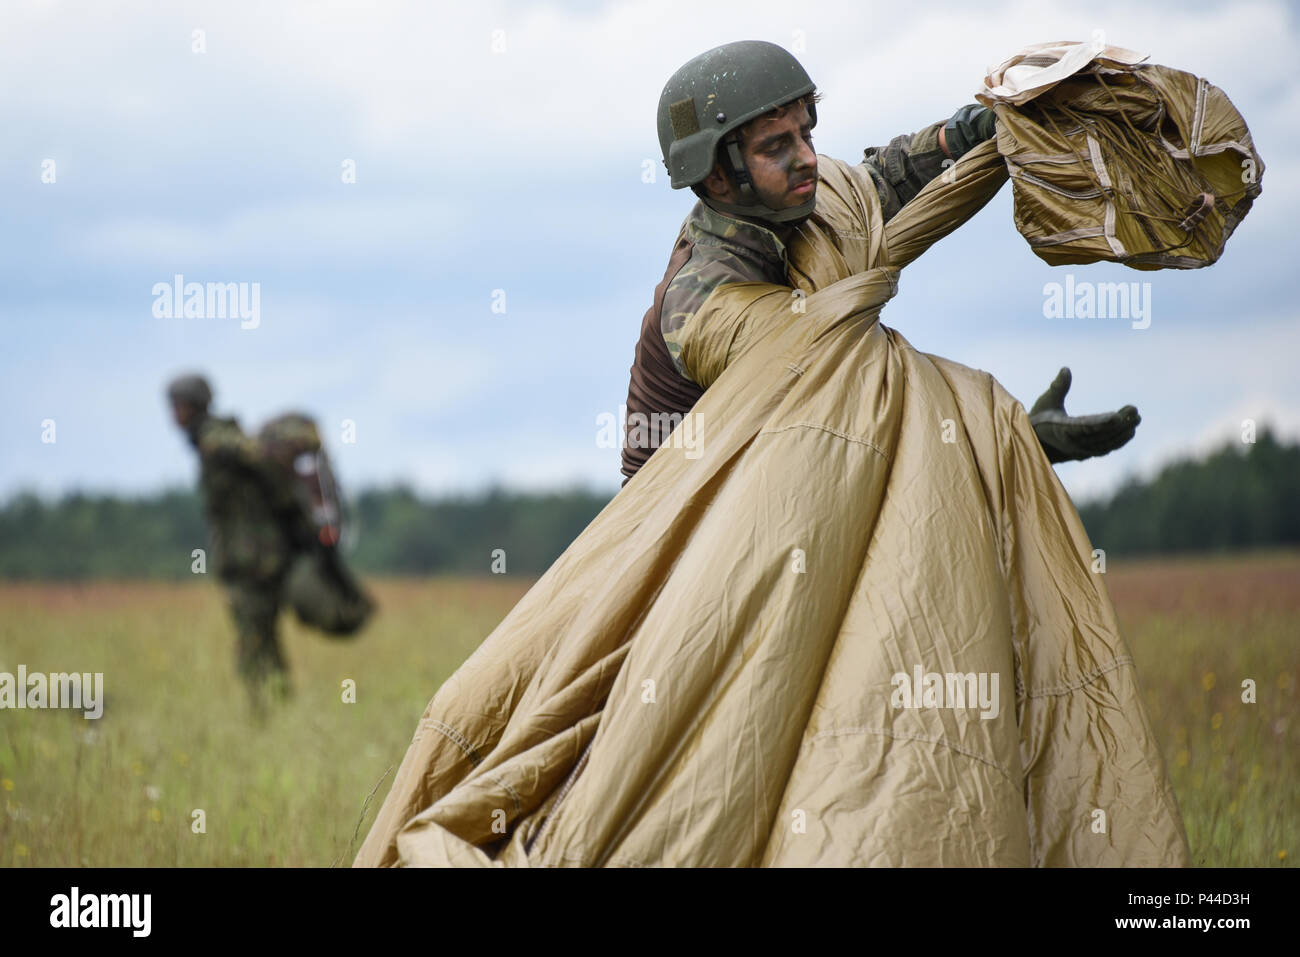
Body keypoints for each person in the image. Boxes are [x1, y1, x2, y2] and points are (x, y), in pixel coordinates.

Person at [622, 40, 1139, 483]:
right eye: (777, 146)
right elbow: (835, 387)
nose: (805, 157)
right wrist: (1015, 439)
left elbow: (881, 183)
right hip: (690, 530)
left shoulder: (807, 205)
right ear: (717, 177)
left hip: (786, 478)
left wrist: (985, 128)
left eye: (807, 134)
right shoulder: (705, 298)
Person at [166, 374, 314, 713]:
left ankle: (264, 713)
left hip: (252, 561)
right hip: (254, 558)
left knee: (253, 642)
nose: (172, 415)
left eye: (175, 406)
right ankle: (278, 709)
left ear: (188, 406)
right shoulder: (213, 438)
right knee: (263, 638)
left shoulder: (216, 439)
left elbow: (257, 457)